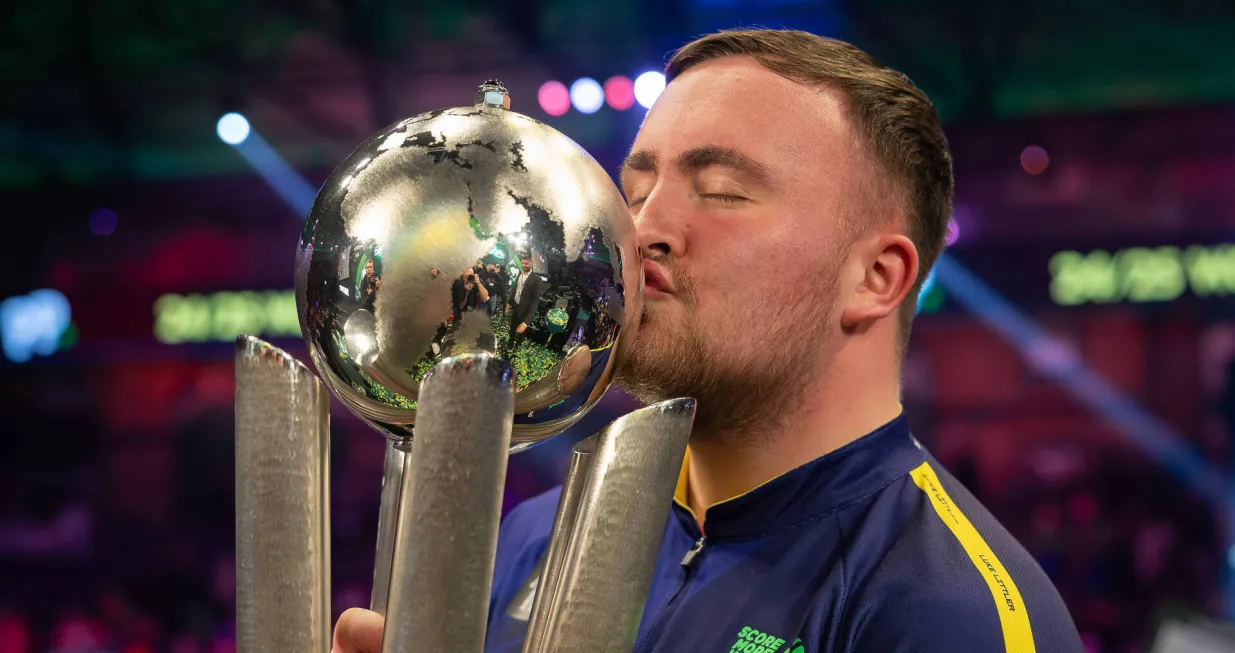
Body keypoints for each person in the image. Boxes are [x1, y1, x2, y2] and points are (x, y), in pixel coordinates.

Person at [332, 28, 1083, 653]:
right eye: (636, 189)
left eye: (720, 190)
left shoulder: (949, 611)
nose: (642, 228)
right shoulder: (535, 536)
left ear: (876, 278)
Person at [506, 253, 548, 350]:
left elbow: (535, 302)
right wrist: (509, 302)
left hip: (525, 311)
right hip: (515, 307)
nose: (524, 265)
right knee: (513, 327)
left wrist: (526, 322)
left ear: (532, 263)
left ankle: (517, 345)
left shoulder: (536, 279)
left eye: (527, 263)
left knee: (521, 331)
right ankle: (511, 342)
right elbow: (515, 288)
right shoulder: (520, 274)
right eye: (523, 263)